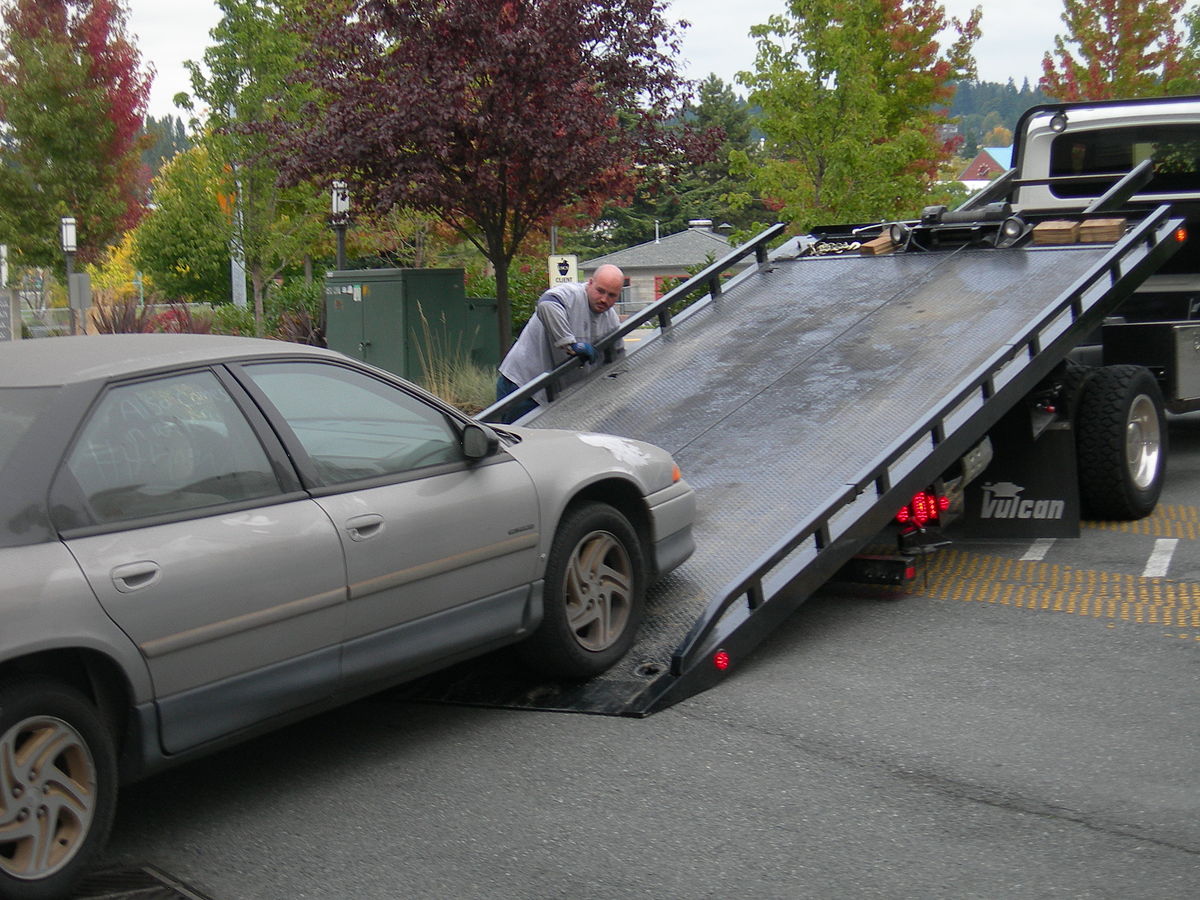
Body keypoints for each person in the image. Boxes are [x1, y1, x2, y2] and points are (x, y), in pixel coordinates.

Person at [495, 264, 626, 423]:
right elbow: (547, 304)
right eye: (600, 291)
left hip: (556, 394)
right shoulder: (570, 294)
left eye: (611, 295)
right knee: (517, 441)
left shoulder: (611, 320)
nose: (604, 299)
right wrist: (570, 344)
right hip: (524, 385)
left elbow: (618, 362)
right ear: (590, 283)